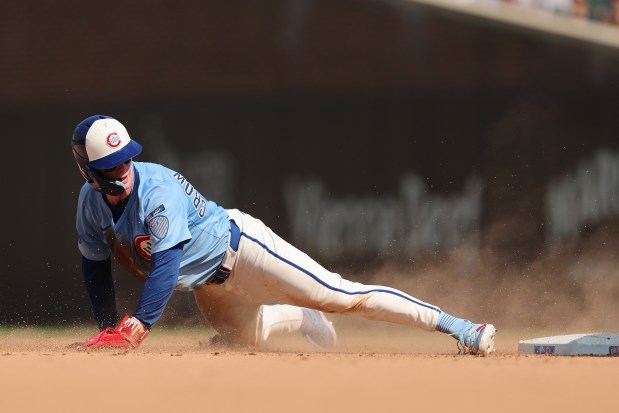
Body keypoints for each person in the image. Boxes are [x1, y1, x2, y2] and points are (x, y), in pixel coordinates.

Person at [72, 114, 496, 355]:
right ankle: (302, 318)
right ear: (88, 171)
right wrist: (108, 327)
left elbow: (164, 268)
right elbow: (95, 268)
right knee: (248, 340)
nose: (122, 169)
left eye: (126, 159)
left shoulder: (157, 194)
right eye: (111, 165)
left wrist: (138, 325)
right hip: (208, 284)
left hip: (244, 250)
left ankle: (460, 327)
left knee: (343, 296)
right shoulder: (90, 206)